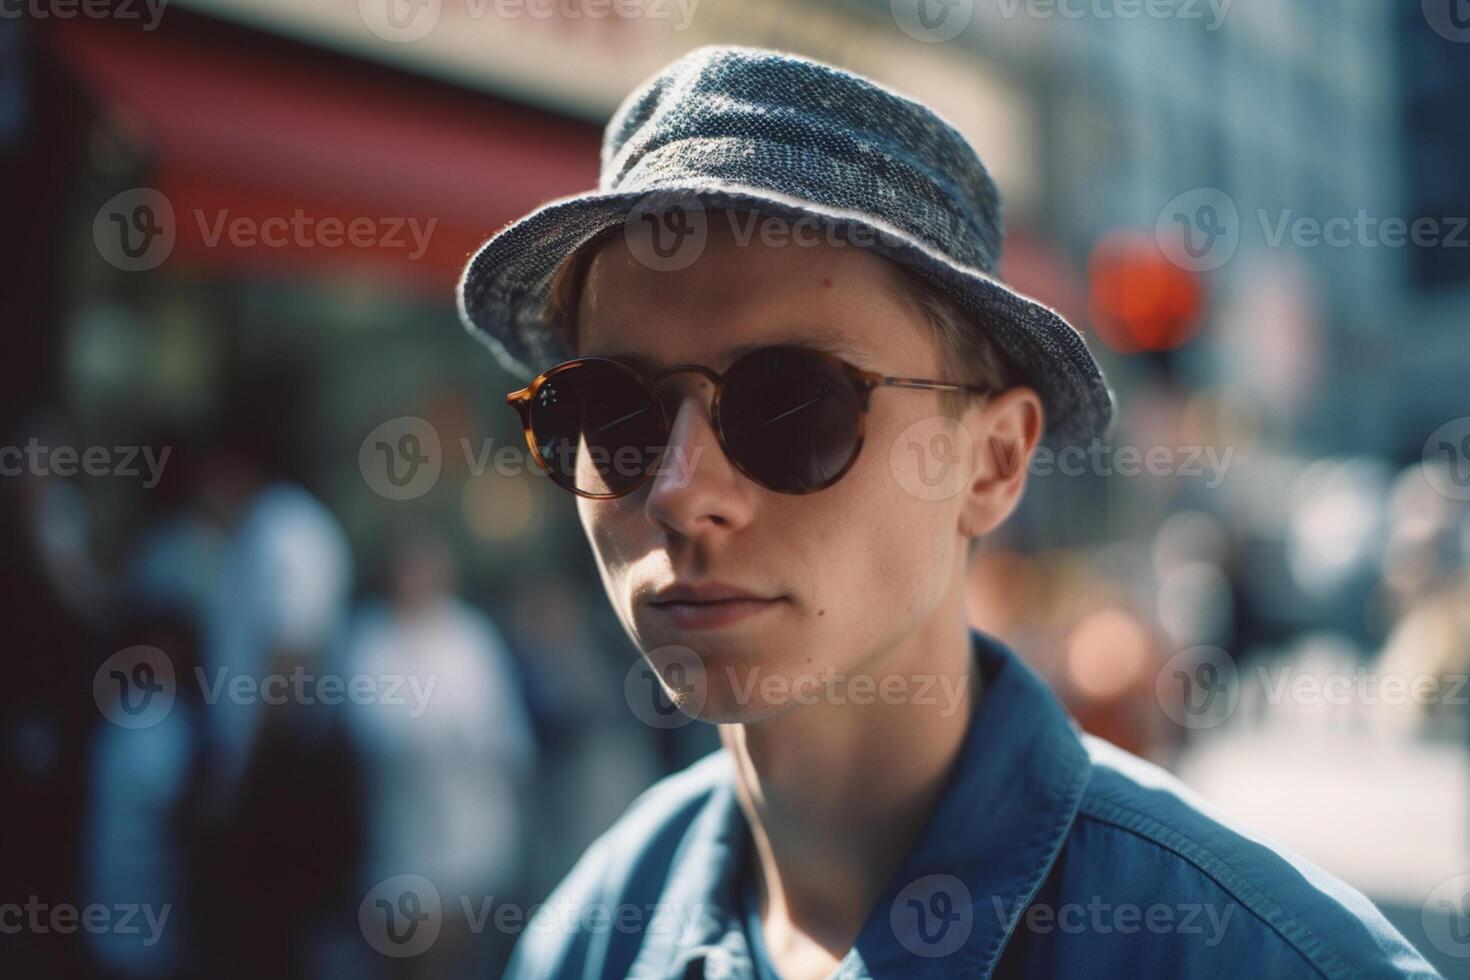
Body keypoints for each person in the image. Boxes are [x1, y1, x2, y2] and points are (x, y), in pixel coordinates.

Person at [455, 46, 1438, 979]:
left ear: (994, 462)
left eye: (793, 405)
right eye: (611, 413)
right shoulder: (595, 931)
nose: (678, 487)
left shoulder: (1254, 953)